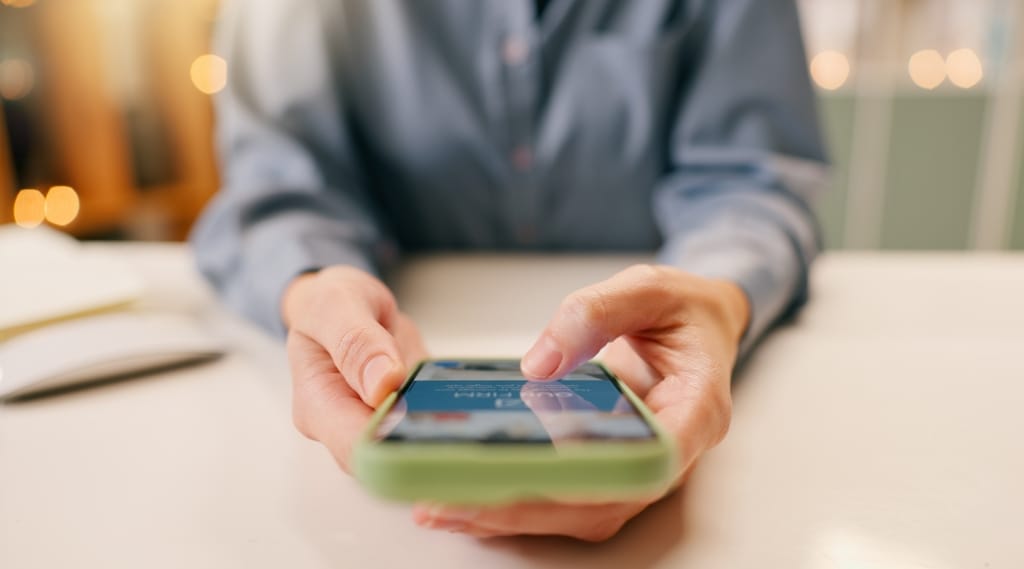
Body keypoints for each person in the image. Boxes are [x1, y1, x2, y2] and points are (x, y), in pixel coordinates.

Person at [192, 0, 827, 541]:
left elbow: (751, 183)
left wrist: (716, 296)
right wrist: (314, 288)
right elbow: (274, 185)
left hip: (632, 355)